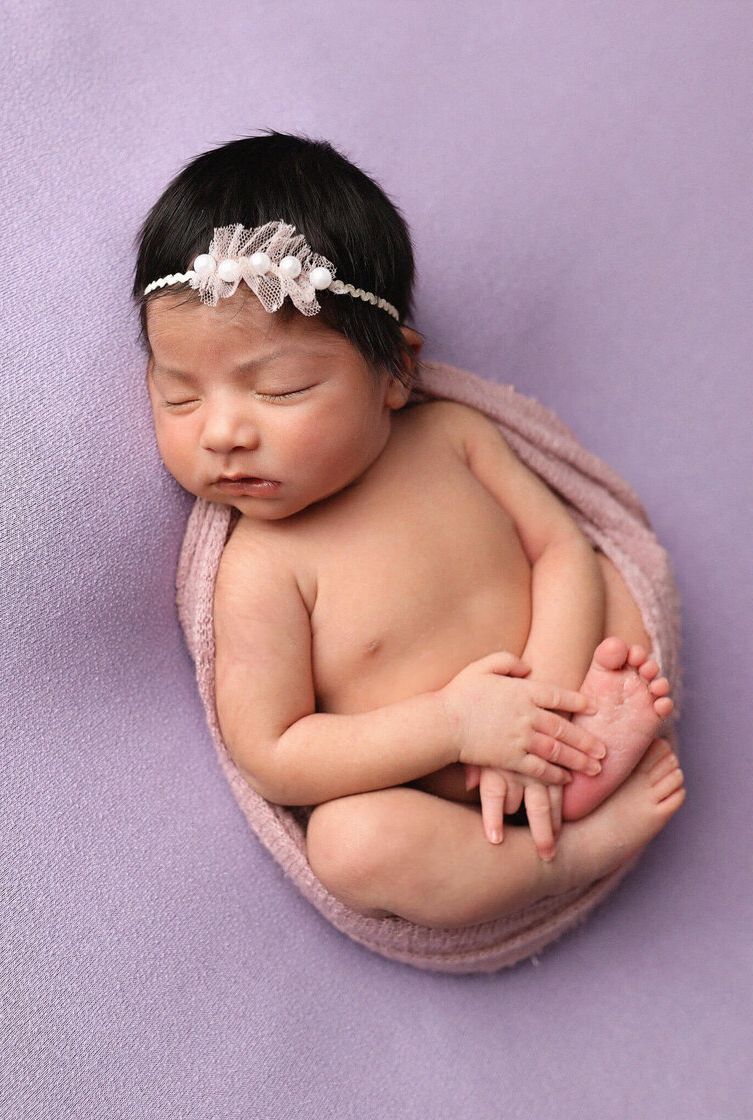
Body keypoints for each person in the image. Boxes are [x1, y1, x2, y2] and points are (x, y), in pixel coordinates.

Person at [133, 130, 685, 929]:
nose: (222, 432)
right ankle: (563, 855)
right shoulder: (263, 567)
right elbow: (277, 751)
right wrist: (460, 726)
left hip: (554, 697)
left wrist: (542, 708)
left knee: (608, 575)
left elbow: (562, 546)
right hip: (451, 797)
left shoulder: (455, 438)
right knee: (350, 845)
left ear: (396, 371)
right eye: (179, 397)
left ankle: (581, 753)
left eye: (281, 390)